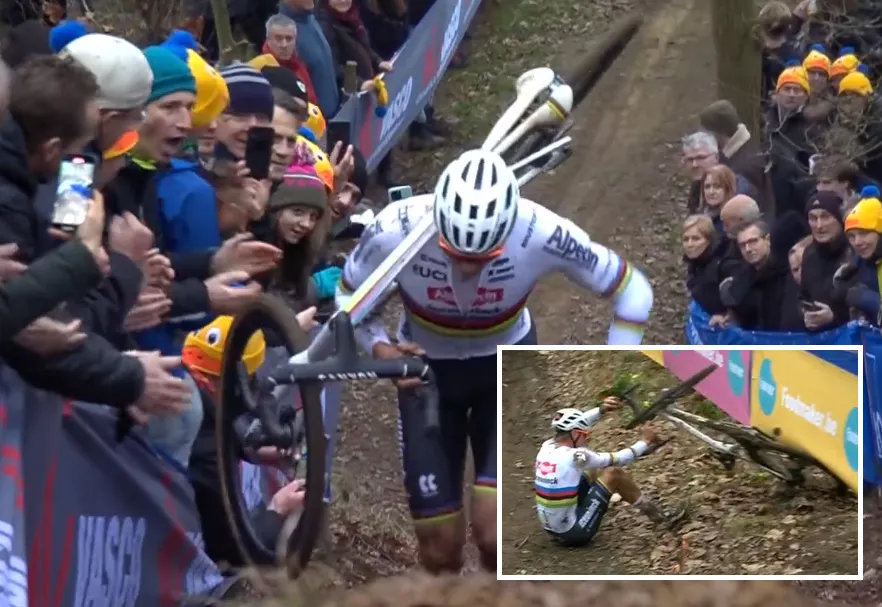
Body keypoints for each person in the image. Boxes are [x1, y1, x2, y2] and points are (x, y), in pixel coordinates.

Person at [337, 149, 653, 574]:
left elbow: (633, 292)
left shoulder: (539, 230)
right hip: (426, 377)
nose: (466, 268)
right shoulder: (396, 227)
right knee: (439, 550)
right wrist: (380, 349)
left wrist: (612, 361)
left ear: (506, 232)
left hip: (500, 373)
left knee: (493, 536)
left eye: (481, 258)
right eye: (454, 253)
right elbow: (348, 298)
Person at [535, 402, 685, 547]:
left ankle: (583, 510)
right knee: (614, 473)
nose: (586, 438)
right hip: (574, 533)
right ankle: (660, 516)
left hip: (552, 527)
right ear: (574, 433)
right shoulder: (577, 457)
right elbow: (619, 459)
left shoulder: (547, 446)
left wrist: (601, 409)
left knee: (592, 470)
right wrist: (645, 442)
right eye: (584, 434)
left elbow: (578, 423)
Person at [682, 214, 733, 326]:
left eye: (696, 238)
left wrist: (726, 315)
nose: (690, 244)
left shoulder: (723, 265)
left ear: (708, 240)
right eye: (686, 239)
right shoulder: (695, 265)